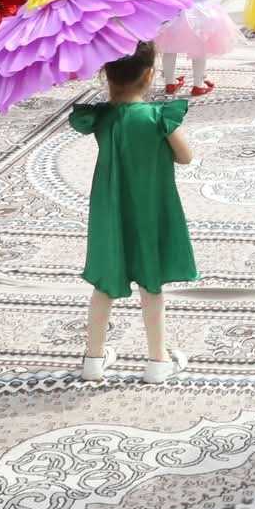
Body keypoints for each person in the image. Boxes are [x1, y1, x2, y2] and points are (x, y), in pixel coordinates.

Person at [72, 44, 196, 383]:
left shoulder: (101, 117)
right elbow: (185, 157)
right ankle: (158, 361)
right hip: (150, 209)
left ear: (105, 75)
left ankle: (93, 360)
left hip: (109, 211)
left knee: (104, 284)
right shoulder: (158, 118)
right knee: (151, 285)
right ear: (150, 75)